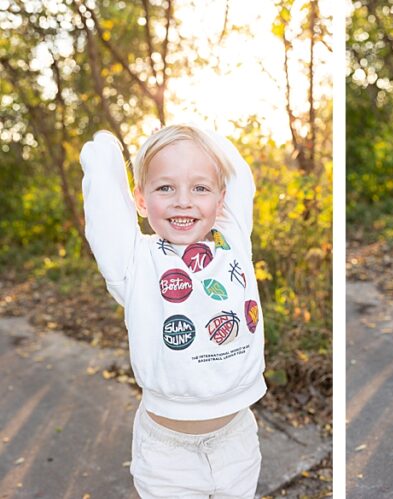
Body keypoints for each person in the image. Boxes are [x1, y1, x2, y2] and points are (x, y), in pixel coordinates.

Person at [80, 125, 266, 498]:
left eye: (200, 188)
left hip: (237, 442)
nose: (183, 201)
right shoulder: (135, 263)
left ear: (221, 199)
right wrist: (107, 147)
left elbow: (238, 172)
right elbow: (103, 203)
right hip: (168, 455)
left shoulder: (234, 240)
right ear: (142, 200)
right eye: (165, 187)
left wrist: (194, 132)